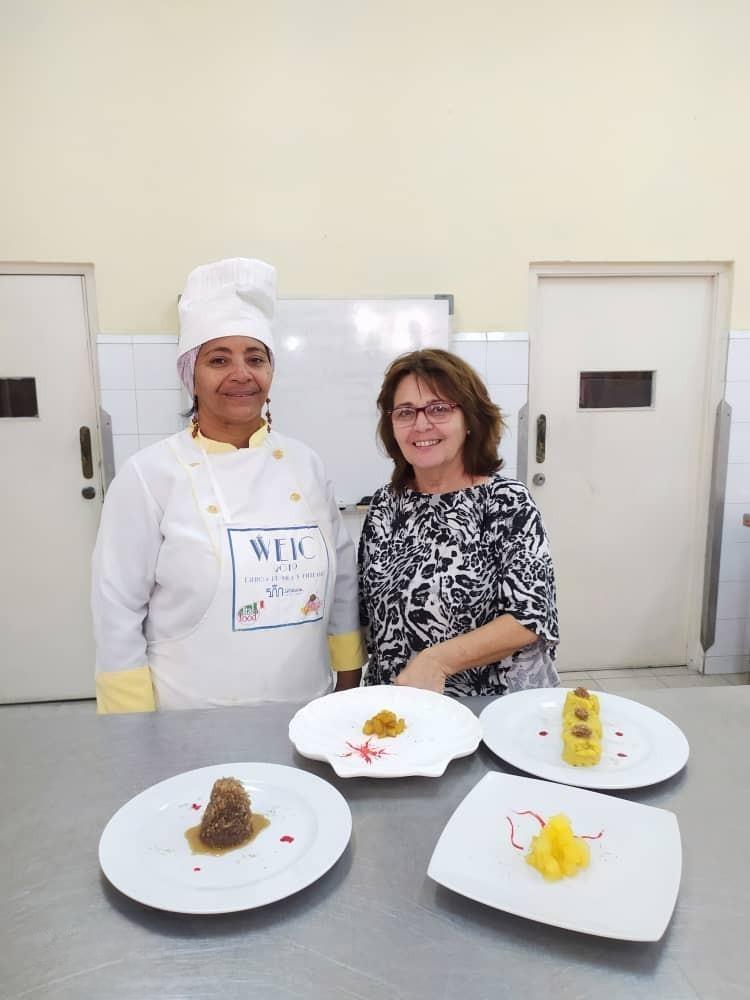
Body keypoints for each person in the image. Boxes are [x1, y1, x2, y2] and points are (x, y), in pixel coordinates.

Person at [92, 257, 365, 712]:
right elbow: (116, 608)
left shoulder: (306, 464)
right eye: (219, 359)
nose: (241, 374)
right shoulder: (150, 474)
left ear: (271, 373)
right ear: (191, 376)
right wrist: (129, 723)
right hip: (189, 714)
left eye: (255, 358)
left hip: (306, 706)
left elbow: (341, 577)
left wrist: (349, 672)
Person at [358, 348, 559, 697]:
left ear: (469, 420)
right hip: (399, 707)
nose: (421, 425)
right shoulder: (384, 506)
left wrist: (437, 661)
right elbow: (370, 613)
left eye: (439, 409)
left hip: (489, 710)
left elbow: (530, 616)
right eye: (406, 412)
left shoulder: (506, 502)